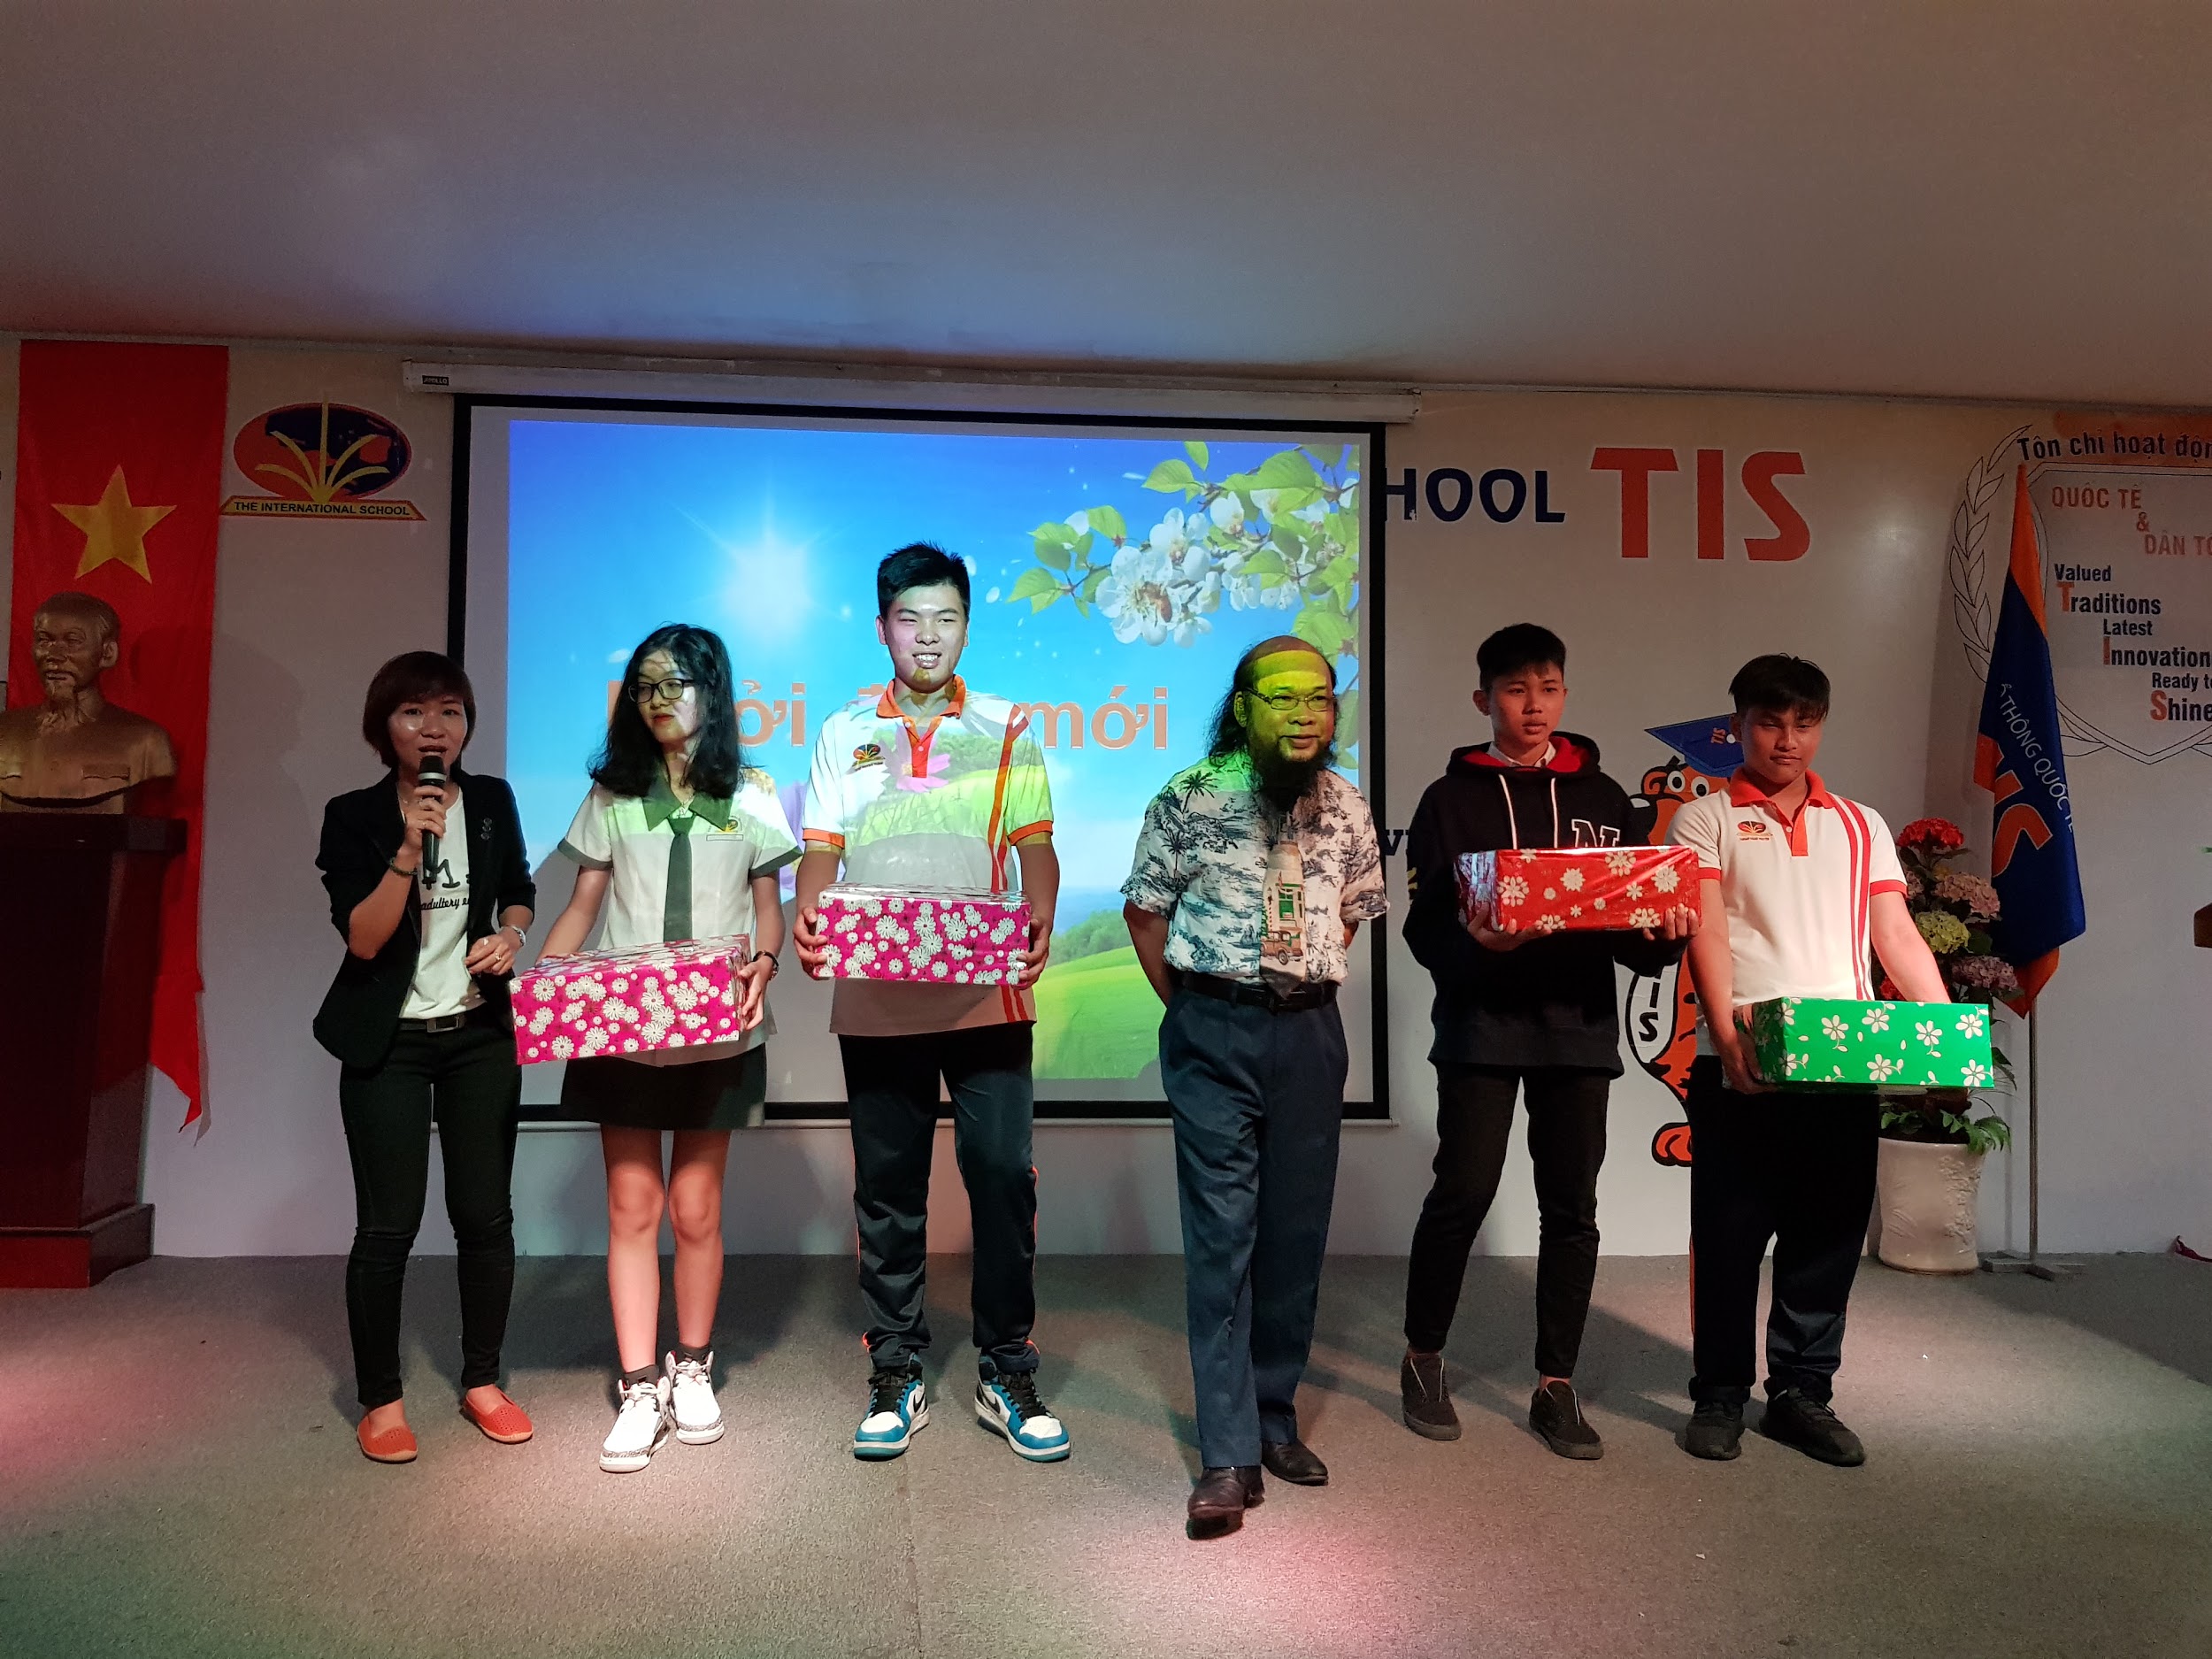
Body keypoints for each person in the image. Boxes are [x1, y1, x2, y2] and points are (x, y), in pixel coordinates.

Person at [790, 542, 1068, 1465]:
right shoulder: (842, 730)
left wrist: (1039, 912)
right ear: (883, 628)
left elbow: (1034, 845)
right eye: (910, 618)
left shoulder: (1007, 724)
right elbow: (821, 848)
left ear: (966, 628)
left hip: (988, 985)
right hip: (877, 989)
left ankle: (1007, 1366)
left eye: (946, 618)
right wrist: (809, 913)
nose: (928, 635)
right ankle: (897, 1364)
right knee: (888, 1186)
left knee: (1001, 1175)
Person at [1397, 624, 1696, 1458]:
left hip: (1577, 1030)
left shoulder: (1603, 797)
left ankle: (1555, 1383)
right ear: (1483, 698)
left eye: (1549, 687)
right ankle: (1423, 1356)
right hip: (1481, 1027)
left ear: (1565, 693)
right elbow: (1425, 929)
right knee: (1462, 1192)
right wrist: (1481, 948)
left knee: (1572, 1208)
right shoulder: (1447, 799)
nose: (1534, 705)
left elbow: (1630, 930)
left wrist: (1665, 937)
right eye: (1516, 689)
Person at [1123, 635, 1386, 1539]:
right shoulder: (1189, 797)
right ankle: (1227, 1453)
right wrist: (1200, 1008)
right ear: (1241, 708)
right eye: (1282, 697)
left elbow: (1353, 916)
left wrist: (1297, 988)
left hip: (1309, 1033)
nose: (1305, 713)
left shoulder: (1346, 804)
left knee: (1295, 1233)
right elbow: (1145, 912)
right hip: (1213, 1029)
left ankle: (1275, 1416)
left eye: (1319, 697)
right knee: (1222, 1238)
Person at [1668, 654, 1948, 1466]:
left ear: (1821, 726)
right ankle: (1720, 1393)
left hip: (1843, 1061)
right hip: (1743, 1057)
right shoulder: (1705, 818)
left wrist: (1943, 1035)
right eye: (1769, 722)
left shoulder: (1861, 824)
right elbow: (1706, 928)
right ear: (1738, 726)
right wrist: (1725, 1035)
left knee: (1827, 1235)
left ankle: (1801, 1392)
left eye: (1804, 723)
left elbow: (1895, 934)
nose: (1787, 739)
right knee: (1729, 1233)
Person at [538, 624, 795, 1473]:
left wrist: (764, 962)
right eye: (644, 684)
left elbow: (768, 907)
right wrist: (549, 981)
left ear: (711, 692)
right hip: (621, 1028)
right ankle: (640, 1384)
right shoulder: (612, 792)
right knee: (631, 1206)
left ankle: (692, 1365)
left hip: (719, 1028)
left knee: (696, 1209)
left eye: (674, 683)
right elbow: (584, 902)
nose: (657, 699)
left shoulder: (752, 791)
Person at [312, 651, 536, 1463]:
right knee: (389, 1225)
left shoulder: (493, 800)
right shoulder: (353, 815)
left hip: (479, 1035)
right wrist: (408, 848)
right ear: (384, 727)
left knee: (484, 1216)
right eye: (413, 712)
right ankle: (381, 1400)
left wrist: (510, 934)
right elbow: (366, 938)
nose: (433, 727)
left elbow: (518, 889)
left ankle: (482, 1381)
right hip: (390, 1042)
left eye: (449, 711)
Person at [0, 590, 175, 811]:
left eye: (73, 641)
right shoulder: (4, 731)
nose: (54, 655)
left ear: (107, 653)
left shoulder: (146, 741)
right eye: (44, 640)